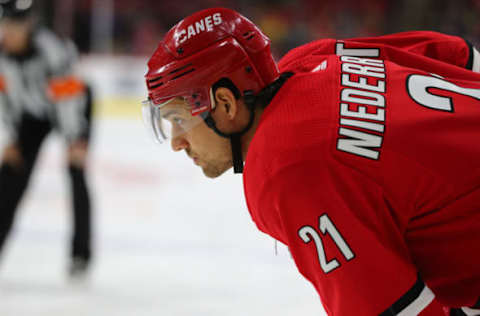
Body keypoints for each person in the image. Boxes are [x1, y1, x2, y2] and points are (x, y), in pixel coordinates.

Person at [142, 7, 480, 316]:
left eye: (179, 119)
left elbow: (387, 308)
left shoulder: (285, 170)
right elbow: (457, 56)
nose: (176, 142)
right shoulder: (311, 58)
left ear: (226, 104)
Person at [0, 0, 93, 278]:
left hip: (72, 107)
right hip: (32, 113)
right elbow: (5, 100)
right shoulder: (2, 55)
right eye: (7, 24)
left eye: (17, 25)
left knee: (76, 172)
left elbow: (68, 98)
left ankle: (80, 254)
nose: (11, 31)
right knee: (9, 174)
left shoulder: (52, 50)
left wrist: (75, 138)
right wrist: (13, 139)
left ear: (28, 25)